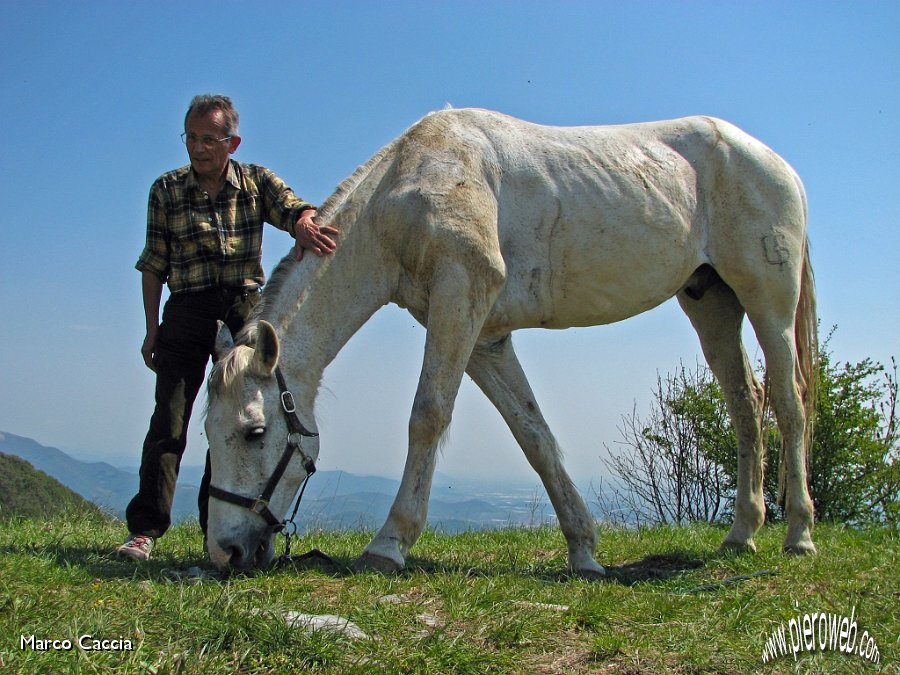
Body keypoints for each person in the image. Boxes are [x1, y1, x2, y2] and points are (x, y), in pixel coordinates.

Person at [117, 94, 338, 561]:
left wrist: (302, 223)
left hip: (244, 309)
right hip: (187, 307)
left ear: (232, 141)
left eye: (209, 139)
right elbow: (153, 263)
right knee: (169, 421)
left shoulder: (255, 181)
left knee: (235, 423)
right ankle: (145, 530)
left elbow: (294, 207)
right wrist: (152, 328)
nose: (198, 148)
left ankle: (215, 533)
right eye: (191, 138)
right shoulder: (167, 189)